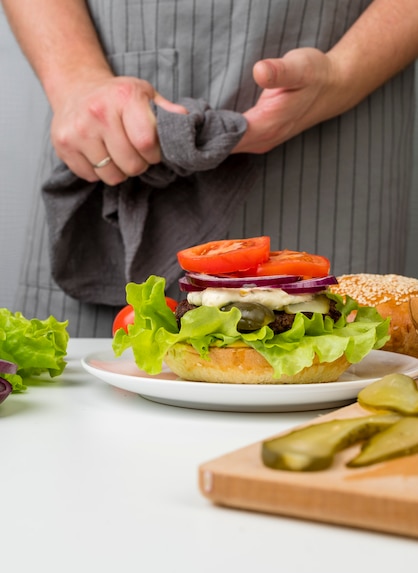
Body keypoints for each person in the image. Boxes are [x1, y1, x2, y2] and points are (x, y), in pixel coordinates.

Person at [2, 0, 418, 337]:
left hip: (341, 130)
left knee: (340, 384)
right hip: (107, 136)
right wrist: (74, 77)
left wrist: (345, 72)